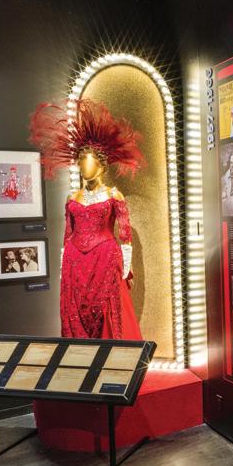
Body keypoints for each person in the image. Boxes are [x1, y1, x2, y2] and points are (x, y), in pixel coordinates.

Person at [30, 97, 144, 340]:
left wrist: (125, 266)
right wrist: (63, 266)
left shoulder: (114, 195)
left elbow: (125, 235)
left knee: (106, 308)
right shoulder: (73, 197)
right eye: (81, 164)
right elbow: (67, 235)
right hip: (74, 260)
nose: (84, 169)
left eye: (89, 163)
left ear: (101, 166)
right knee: (75, 309)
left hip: (105, 258)